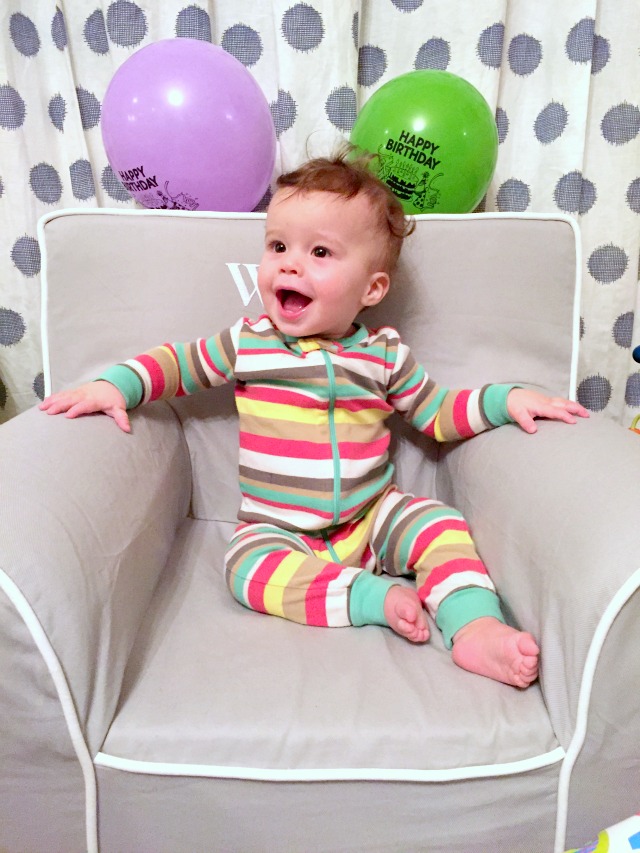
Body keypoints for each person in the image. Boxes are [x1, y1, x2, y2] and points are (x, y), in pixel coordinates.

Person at [40, 153, 589, 688]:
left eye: (320, 251)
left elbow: (439, 414)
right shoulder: (250, 342)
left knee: (439, 524)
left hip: (372, 519)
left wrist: (506, 400)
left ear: (372, 289)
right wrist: (115, 385)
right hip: (276, 529)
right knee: (244, 571)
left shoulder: (382, 355)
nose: (289, 263)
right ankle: (366, 598)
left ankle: (474, 627)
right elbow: (177, 365)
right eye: (277, 246)